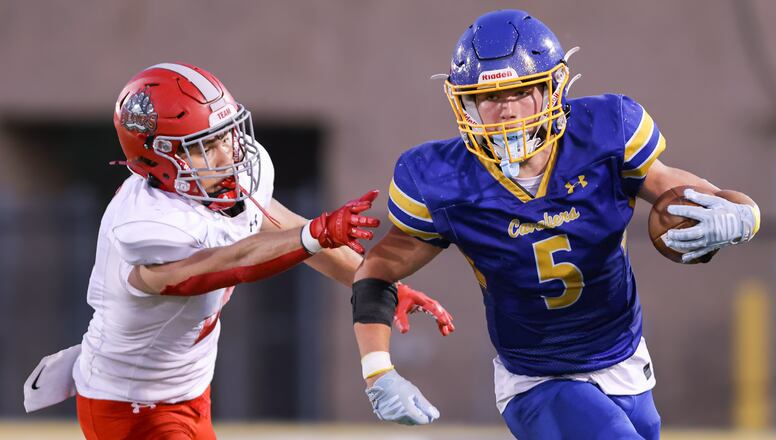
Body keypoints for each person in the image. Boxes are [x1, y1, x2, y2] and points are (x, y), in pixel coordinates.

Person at [350, 9, 761, 439]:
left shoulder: (605, 135)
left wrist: (743, 215)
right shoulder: (445, 180)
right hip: (538, 379)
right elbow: (377, 271)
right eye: (490, 98)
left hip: (623, 358)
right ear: (466, 103)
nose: (507, 112)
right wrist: (378, 373)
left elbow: (699, 194)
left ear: (554, 88)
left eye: (522, 90)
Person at [22, 62, 453, 440]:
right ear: (160, 159)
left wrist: (375, 282)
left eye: (226, 133)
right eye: (205, 146)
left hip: (189, 391)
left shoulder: (229, 177)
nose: (228, 150)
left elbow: (285, 227)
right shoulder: (145, 225)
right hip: (130, 402)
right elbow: (231, 262)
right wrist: (316, 235)